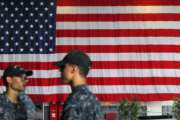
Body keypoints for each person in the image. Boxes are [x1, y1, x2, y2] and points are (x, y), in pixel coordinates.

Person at [55, 50, 104, 120]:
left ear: (73, 69)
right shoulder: (93, 98)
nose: (60, 70)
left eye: (63, 67)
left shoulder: (75, 100)